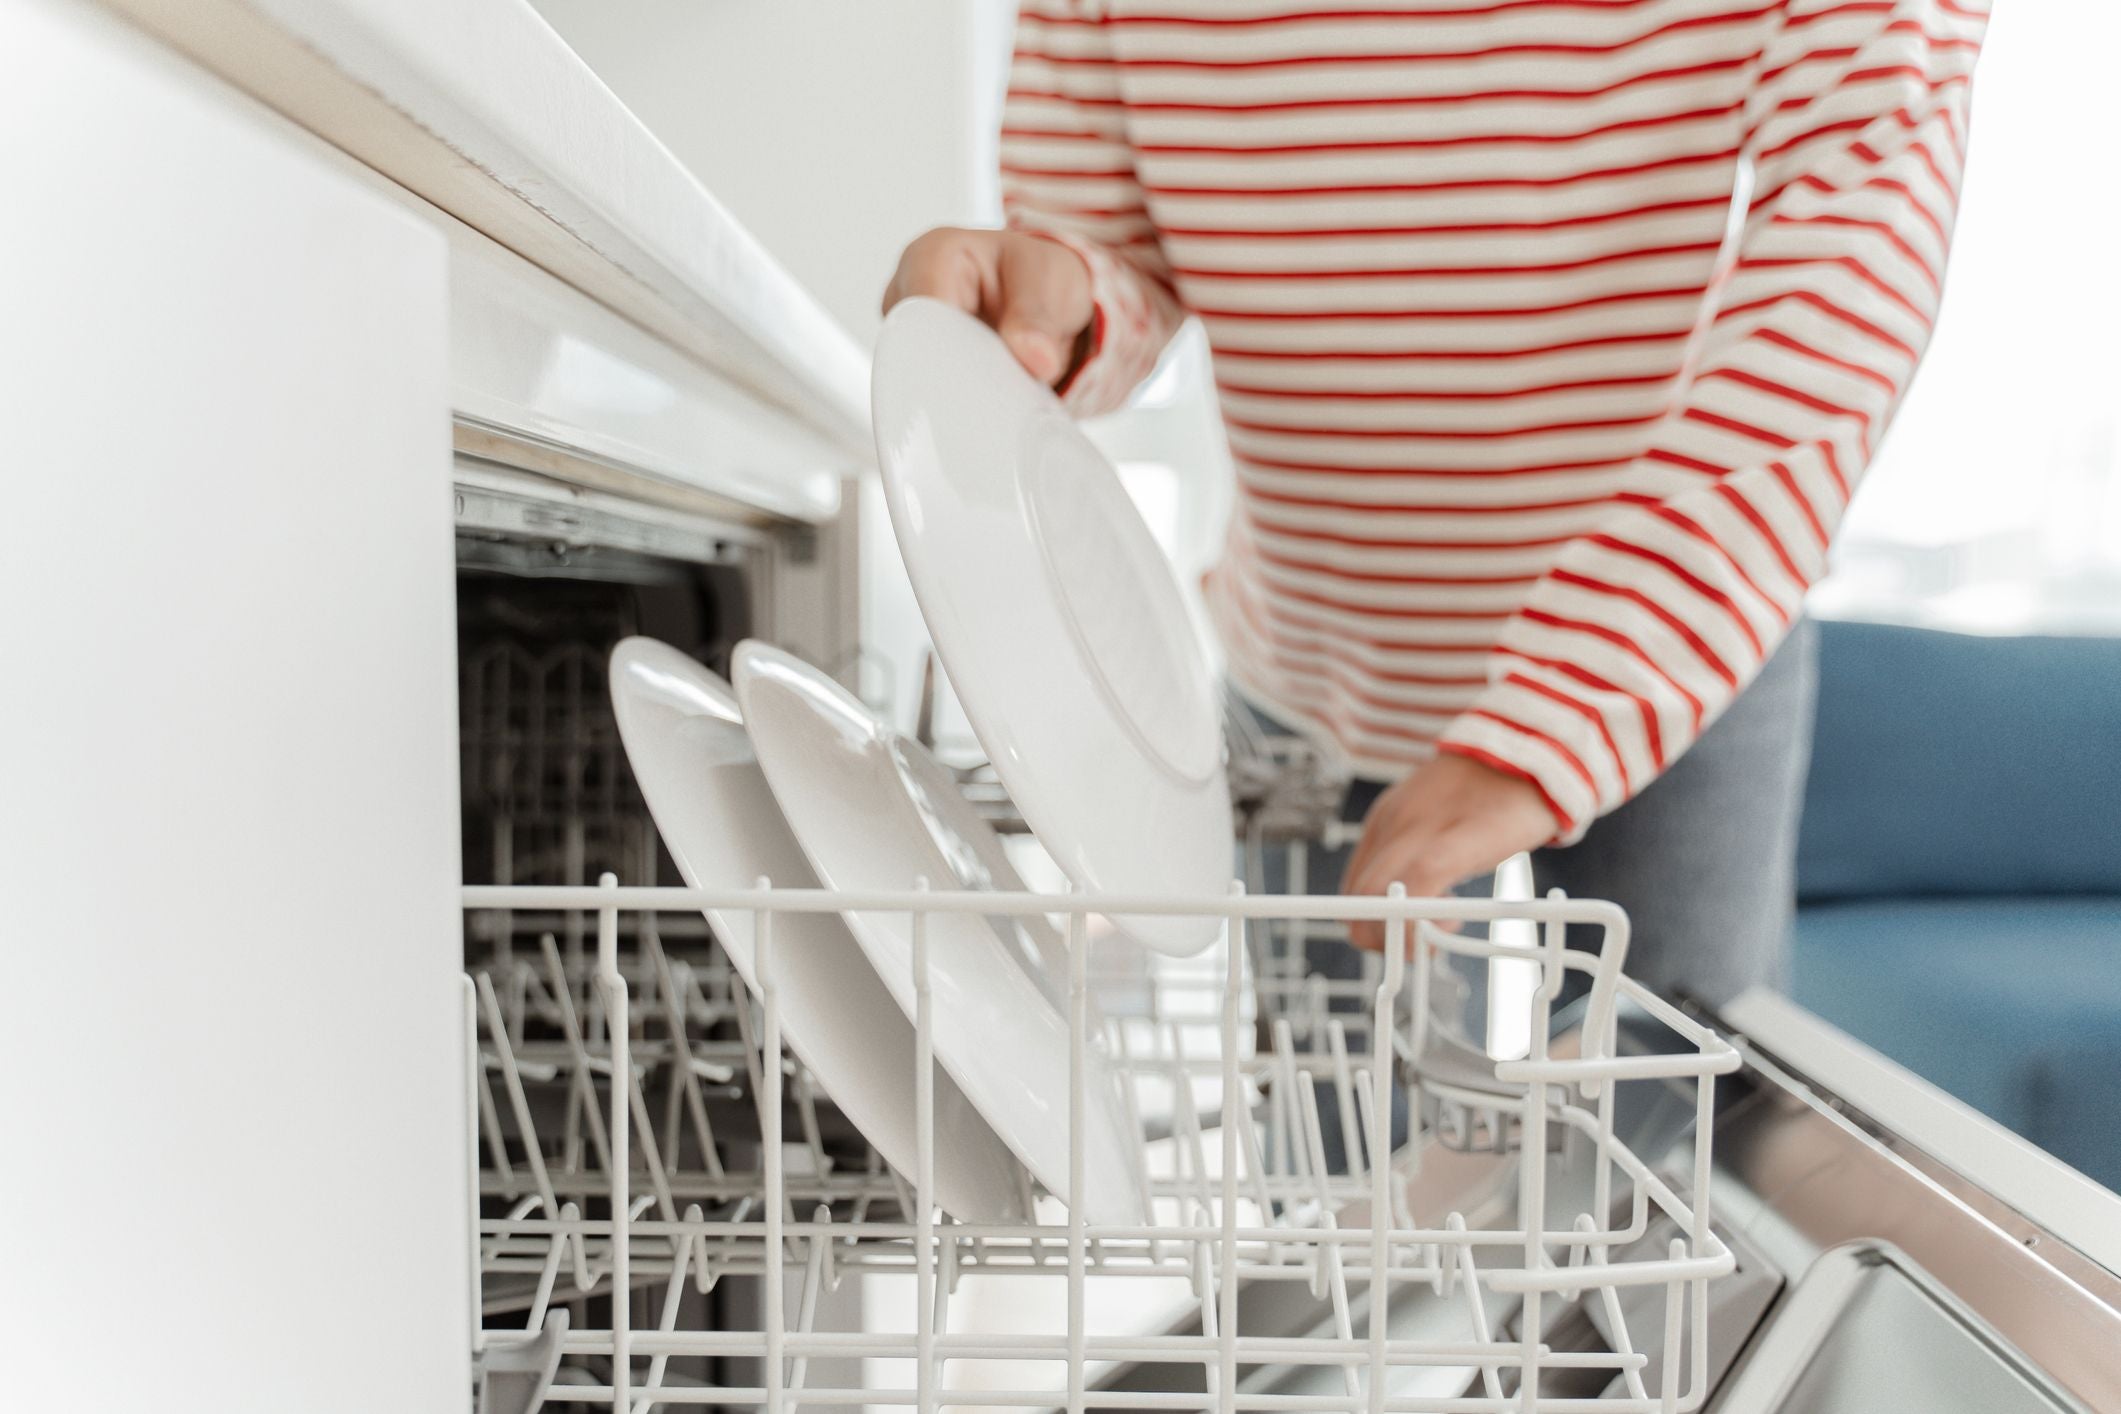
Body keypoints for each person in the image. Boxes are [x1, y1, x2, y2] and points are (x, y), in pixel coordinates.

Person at [883, 0, 1986, 1006]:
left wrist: (1571, 704)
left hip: (1666, 669)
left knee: (1662, 1181)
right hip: (1311, 679)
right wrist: (1057, 305)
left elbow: (1850, 260)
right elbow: (1109, 235)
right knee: (1336, 1193)